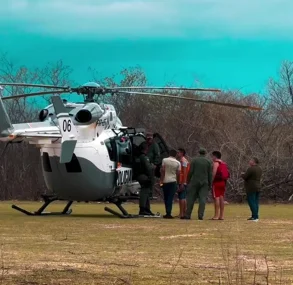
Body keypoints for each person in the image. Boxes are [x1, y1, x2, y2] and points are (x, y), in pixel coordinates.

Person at [181, 148, 212, 220]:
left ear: (199, 153)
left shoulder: (194, 160)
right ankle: (200, 215)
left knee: (191, 198)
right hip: (204, 182)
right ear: (205, 153)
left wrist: (187, 181)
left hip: (194, 181)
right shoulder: (208, 162)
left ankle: (188, 214)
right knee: (202, 199)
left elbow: (190, 172)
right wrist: (210, 184)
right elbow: (210, 174)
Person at [160, 149, 181, 219]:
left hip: (165, 181)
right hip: (173, 181)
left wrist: (161, 181)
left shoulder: (164, 160)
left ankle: (167, 212)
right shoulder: (178, 163)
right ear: (175, 155)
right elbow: (178, 174)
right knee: (170, 197)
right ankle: (169, 212)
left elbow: (163, 170)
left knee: (165, 197)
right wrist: (178, 183)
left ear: (169, 154)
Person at [136, 141, 155, 216]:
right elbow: (148, 168)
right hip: (144, 177)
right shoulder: (144, 158)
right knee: (144, 192)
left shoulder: (139, 157)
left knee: (146, 193)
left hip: (140, 176)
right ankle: (143, 209)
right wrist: (152, 167)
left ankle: (147, 209)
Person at [241, 157, 262, 221]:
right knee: (256, 202)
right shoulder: (259, 169)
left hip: (251, 187)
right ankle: (255, 215)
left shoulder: (251, 169)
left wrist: (242, 174)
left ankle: (255, 216)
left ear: (253, 162)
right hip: (258, 186)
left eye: (250, 160)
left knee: (251, 201)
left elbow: (245, 177)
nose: (249, 161)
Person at [211, 151, 230, 220]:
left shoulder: (216, 163)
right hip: (223, 182)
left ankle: (216, 215)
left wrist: (211, 180)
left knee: (216, 198)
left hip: (217, 182)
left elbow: (214, 173)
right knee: (221, 198)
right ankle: (221, 215)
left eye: (212, 156)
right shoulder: (224, 163)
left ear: (215, 156)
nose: (212, 158)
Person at [145, 132, 161, 198]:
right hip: (144, 165)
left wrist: (155, 164)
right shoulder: (144, 144)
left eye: (150, 138)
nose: (149, 140)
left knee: (151, 180)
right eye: (148, 138)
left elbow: (157, 155)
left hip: (151, 165)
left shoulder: (155, 145)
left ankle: (150, 194)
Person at [177, 148, 190, 218]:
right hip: (184, 181)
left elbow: (184, 172)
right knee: (183, 197)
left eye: (178, 152)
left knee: (181, 197)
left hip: (182, 181)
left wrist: (182, 182)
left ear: (182, 153)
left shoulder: (183, 160)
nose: (177, 154)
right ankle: (183, 212)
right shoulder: (184, 160)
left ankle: (182, 213)